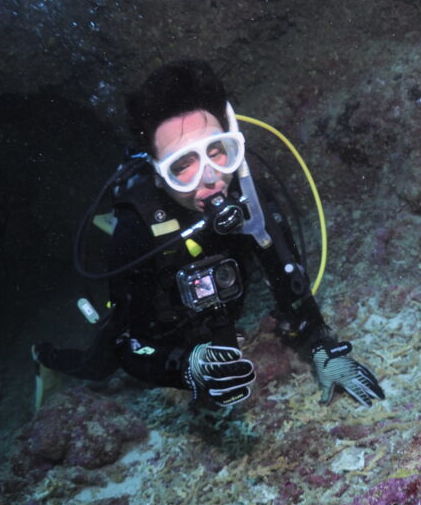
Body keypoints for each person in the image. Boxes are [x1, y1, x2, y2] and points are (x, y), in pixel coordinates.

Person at [33, 60, 384, 409]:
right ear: (158, 174)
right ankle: (44, 356)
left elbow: (287, 280)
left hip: (220, 304)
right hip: (165, 320)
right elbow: (131, 344)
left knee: (224, 344)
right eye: (182, 165)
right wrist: (188, 368)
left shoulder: (249, 197)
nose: (211, 178)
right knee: (98, 366)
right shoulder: (137, 224)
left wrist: (322, 348)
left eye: (217, 152)